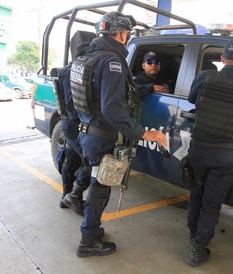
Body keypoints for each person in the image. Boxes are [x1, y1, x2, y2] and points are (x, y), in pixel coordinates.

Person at [68, 11, 167, 258]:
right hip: (102, 135)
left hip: (86, 131)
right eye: (128, 33)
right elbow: (111, 108)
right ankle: (88, 239)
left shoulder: (85, 57)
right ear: (122, 34)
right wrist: (144, 133)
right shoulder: (111, 62)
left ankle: (92, 229)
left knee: (96, 181)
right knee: (100, 186)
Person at [186, 38, 233, 267]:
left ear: (221, 58)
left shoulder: (204, 77)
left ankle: (192, 236)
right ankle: (198, 249)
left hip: (198, 150)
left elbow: (191, 99)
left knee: (196, 194)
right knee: (211, 204)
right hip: (224, 155)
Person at [58, 31, 96, 216]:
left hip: (71, 122)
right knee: (89, 161)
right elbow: (72, 104)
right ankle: (73, 195)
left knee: (71, 158)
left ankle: (66, 197)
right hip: (75, 123)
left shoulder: (69, 69)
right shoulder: (73, 70)